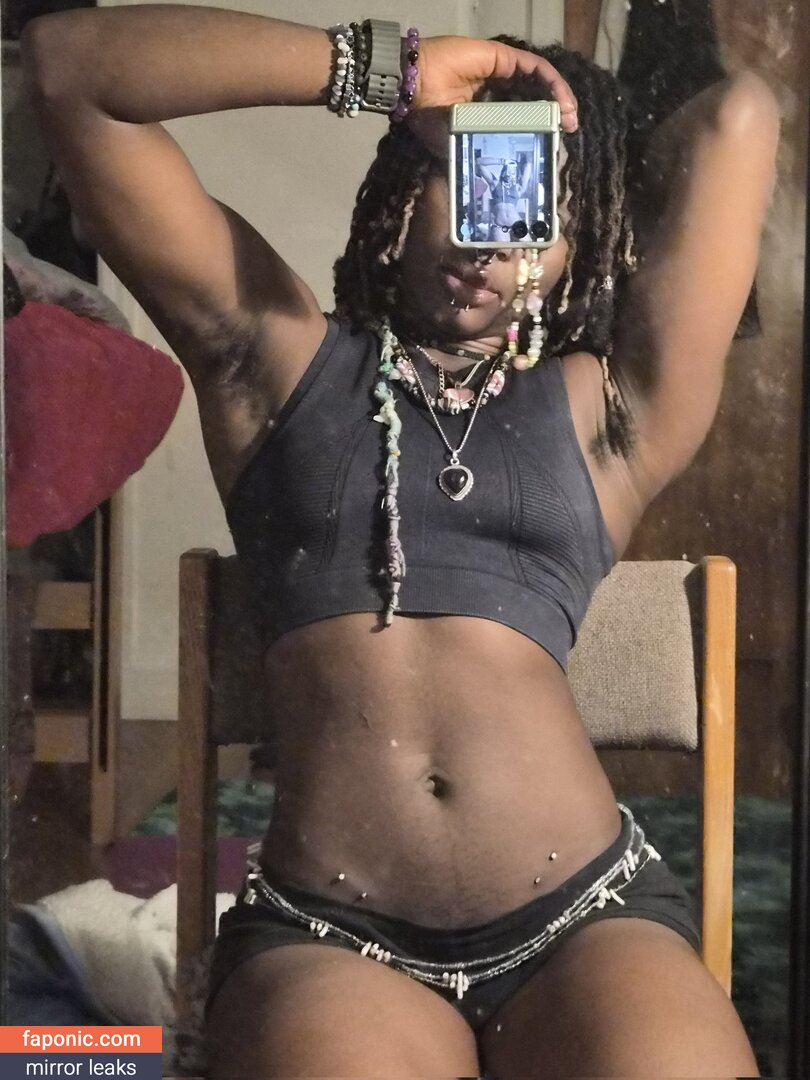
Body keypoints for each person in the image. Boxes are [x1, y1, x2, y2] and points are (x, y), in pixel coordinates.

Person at [23, 7, 779, 1077]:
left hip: (585, 919)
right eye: (465, 178)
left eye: (536, 207)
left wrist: (586, 135)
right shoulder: (275, 362)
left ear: (582, 246)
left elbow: (739, 115)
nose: (491, 237)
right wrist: (388, 72)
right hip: (334, 935)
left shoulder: (611, 415)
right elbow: (72, 71)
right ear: (397, 190)